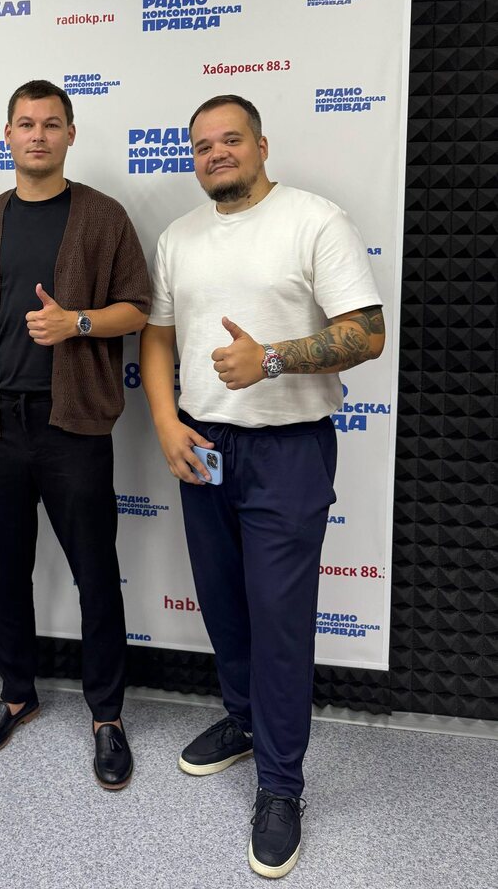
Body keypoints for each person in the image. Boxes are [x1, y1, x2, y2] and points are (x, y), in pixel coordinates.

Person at [140, 94, 384, 877]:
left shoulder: (314, 221)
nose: (216, 153)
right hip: (204, 447)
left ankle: (281, 786)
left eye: (231, 140)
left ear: (261, 145)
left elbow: (367, 332)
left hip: (287, 452)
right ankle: (245, 722)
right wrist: (166, 422)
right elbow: (157, 337)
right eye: (202, 145)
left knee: (279, 622)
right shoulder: (179, 237)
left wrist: (271, 358)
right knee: (223, 604)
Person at [0, 79, 151, 789]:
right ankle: (16, 693)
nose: (38, 135)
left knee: (95, 573)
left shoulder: (103, 216)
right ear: (7, 135)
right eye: (26, 124)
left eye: (51, 123)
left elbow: (137, 308)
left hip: (74, 426)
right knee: (7, 570)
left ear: (70, 134)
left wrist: (77, 323)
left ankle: (107, 714)